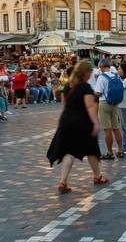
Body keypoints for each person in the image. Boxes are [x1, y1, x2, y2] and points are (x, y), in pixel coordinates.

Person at [46, 59, 108, 194]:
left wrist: (61, 123)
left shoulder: (68, 85)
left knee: (69, 152)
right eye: (90, 71)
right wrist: (96, 122)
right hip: (82, 123)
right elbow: (90, 106)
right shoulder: (85, 87)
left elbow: (63, 106)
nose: (91, 73)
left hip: (66, 121)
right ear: (86, 72)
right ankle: (98, 177)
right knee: (91, 149)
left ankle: (63, 182)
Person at [93, 59, 124, 160]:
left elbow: (98, 93)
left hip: (105, 103)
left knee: (107, 129)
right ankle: (120, 150)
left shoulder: (102, 77)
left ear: (102, 67)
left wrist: (92, 93)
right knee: (116, 128)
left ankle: (110, 152)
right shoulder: (116, 75)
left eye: (100, 67)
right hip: (115, 104)